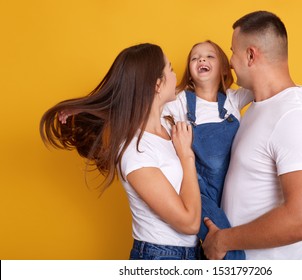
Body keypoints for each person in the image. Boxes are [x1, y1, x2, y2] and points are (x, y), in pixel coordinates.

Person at [40, 43, 201, 260]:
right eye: (170, 69)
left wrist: (84, 108)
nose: (176, 76)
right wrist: (186, 156)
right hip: (162, 257)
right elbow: (189, 223)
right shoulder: (135, 151)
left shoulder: (167, 124)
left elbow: (131, 103)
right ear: (157, 84)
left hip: (192, 253)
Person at [202, 11, 302, 260]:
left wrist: (223, 241)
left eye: (232, 51)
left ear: (250, 55)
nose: (229, 61)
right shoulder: (256, 108)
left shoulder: (295, 115)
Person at [163, 40, 252, 259]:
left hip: (231, 194)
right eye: (195, 58)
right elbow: (140, 108)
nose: (201, 59)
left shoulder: (233, 99)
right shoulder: (180, 101)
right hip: (198, 195)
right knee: (232, 255)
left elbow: (266, 81)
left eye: (210, 56)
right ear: (190, 73)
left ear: (223, 68)